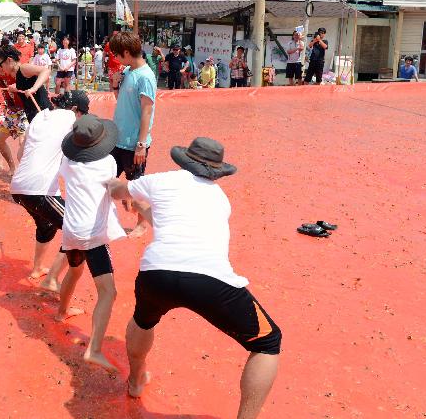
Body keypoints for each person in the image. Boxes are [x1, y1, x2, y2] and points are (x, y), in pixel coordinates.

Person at [108, 137, 281, 416]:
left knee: (143, 320)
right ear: (217, 171)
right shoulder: (221, 200)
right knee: (268, 343)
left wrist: (115, 185)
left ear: (184, 160)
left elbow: (118, 190)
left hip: (157, 272)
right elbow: (170, 223)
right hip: (209, 279)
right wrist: (139, 205)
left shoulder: (162, 180)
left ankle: (136, 380)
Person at [56, 114, 127, 372]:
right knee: (108, 292)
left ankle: (62, 311)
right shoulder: (108, 162)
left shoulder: (67, 161)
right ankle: (94, 349)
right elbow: (112, 189)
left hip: (71, 229)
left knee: (74, 272)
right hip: (92, 233)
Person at [10, 90, 91, 291]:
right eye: (82, 114)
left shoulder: (40, 116)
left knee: (46, 225)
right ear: (75, 110)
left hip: (18, 187)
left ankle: (38, 269)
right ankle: (52, 280)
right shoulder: (72, 119)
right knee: (80, 231)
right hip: (40, 190)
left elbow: (21, 154)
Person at [109, 31, 157, 237]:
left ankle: (141, 224)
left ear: (127, 52)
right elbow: (121, 100)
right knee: (106, 177)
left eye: (118, 55)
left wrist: (141, 144)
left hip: (133, 143)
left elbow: (147, 110)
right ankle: (123, 195)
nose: (116, 59)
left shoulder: (145, 77)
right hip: (117, 139)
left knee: (137, 185)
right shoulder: (128, 71)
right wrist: (114, 84)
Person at [0, 44, 52, 123]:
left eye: (0, 64)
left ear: (9, 60)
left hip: (42, 112)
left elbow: (45, 71)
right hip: (33, 113)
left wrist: (34, 88)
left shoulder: (23, 68)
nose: (0, 68)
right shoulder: (16, 74)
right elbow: (27, 84)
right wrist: (17, 88)